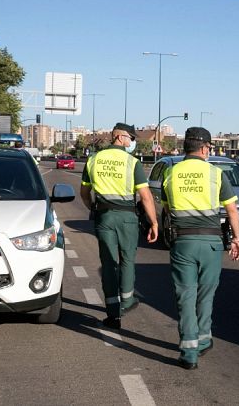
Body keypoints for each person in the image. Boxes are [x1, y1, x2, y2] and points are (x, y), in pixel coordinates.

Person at [161, 127, 239, 370]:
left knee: (185, 295)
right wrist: (237, 239)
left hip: (182, 243)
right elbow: (232, 211)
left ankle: (189, 352)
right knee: (206, 295)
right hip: (211, 244)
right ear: (205, 148)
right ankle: (204, 340)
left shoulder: (171, 173)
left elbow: (167, 209)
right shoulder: (216, 174)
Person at [80, 123, 159, 329]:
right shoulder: (132, 163)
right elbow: (146, 196)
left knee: (108, 263)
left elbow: (84, 193)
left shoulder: (94, 159)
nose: (132, 142)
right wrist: (154, 222)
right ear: (120, 137)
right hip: (127, 218)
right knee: (127, 259)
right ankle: (127, 300)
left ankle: (113, 314)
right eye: (131, 138)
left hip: (104, 216)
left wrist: (94, 208)